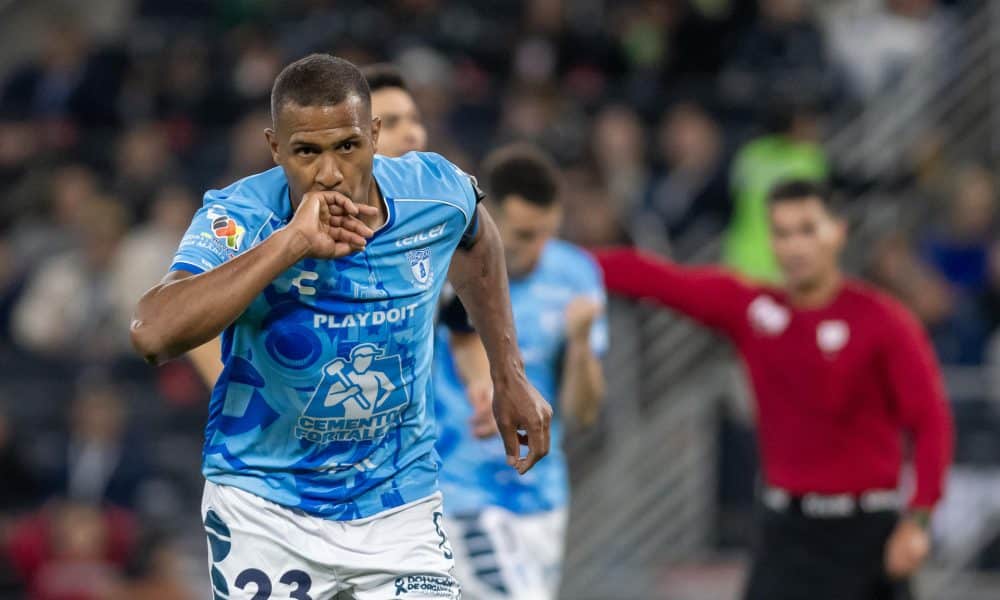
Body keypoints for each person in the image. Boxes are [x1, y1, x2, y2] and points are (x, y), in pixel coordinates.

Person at [130, 54, 551, 600]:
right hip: (265, 509)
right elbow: (152, 333)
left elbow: (476, 236)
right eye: (306, 152)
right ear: (275, 147)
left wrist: (508, 372)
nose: (329, 173)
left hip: (398, 501)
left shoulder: (435, 191)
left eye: (347, 146)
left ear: (374, 135)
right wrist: (288, 245)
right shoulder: (240, 216)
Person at [595, 180, 953, 600]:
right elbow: (660, 280)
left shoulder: (882, 321)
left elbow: (931, 423)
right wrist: (558, 262)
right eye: (781, 233)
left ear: (837, 231)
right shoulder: (755, 312)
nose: (794, 246)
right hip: (785, 535)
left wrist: (919, 521)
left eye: (807, 229)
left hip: (866, 535)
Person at [435, 144, 607, 600]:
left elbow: (583, 412)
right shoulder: (446, 270)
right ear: (488, 222)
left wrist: (582, 344)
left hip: (542, 495)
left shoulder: (576, 273)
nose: (535, 250)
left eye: (545, 234)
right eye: (523, 235)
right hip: (460, 488)